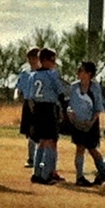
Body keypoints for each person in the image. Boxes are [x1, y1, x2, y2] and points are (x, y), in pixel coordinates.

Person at [27, 48, 66, 185]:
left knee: (42, 142)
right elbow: (60, 92)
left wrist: (33, 116)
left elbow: (30, 98)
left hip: (37, 109)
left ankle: (37, 173)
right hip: (48, 109)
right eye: (52, 60)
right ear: (44, 60)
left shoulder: (33, 76)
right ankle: (46, 174)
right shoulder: (51, 74)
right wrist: (64, 109)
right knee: (51, 141)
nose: (54, 63)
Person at [67, 61, 105, 187]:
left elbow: (98, 107)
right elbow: (69, 104)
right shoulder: (74, 87)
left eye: (81, 70)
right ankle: (79, 177)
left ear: (89, 73)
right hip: (77, 123)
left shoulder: (95, 88)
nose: (78, 72)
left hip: (91, 123)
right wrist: (72, 117)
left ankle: (103, 172)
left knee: (92, 149)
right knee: (79, 147)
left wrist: (91, 122)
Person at [14, 47, 40, 168]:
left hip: (42, 104)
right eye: (30, 57)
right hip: (28, 102)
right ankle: (31, 158)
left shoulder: (44, 72)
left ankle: (41, 158)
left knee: (42, 132)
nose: (32, 59)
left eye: (35, 57)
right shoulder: (25, 72)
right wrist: (17, 95)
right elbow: (19, 86)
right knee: (31, 131)